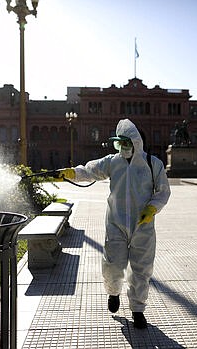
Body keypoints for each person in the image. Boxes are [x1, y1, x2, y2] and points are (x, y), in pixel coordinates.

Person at [55, 118, 171, 329]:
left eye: (125, 143)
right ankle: (113, 292)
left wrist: (152, 208)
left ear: (136, 143)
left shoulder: (153, 163)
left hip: (142, 225)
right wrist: (73, 172)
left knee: (141, 269)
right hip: (116, 223)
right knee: (113, 265)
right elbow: (90, 170)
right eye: (119, 144)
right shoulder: (112, 161)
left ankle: (138, 310)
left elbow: (163, 192)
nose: (122, 148)